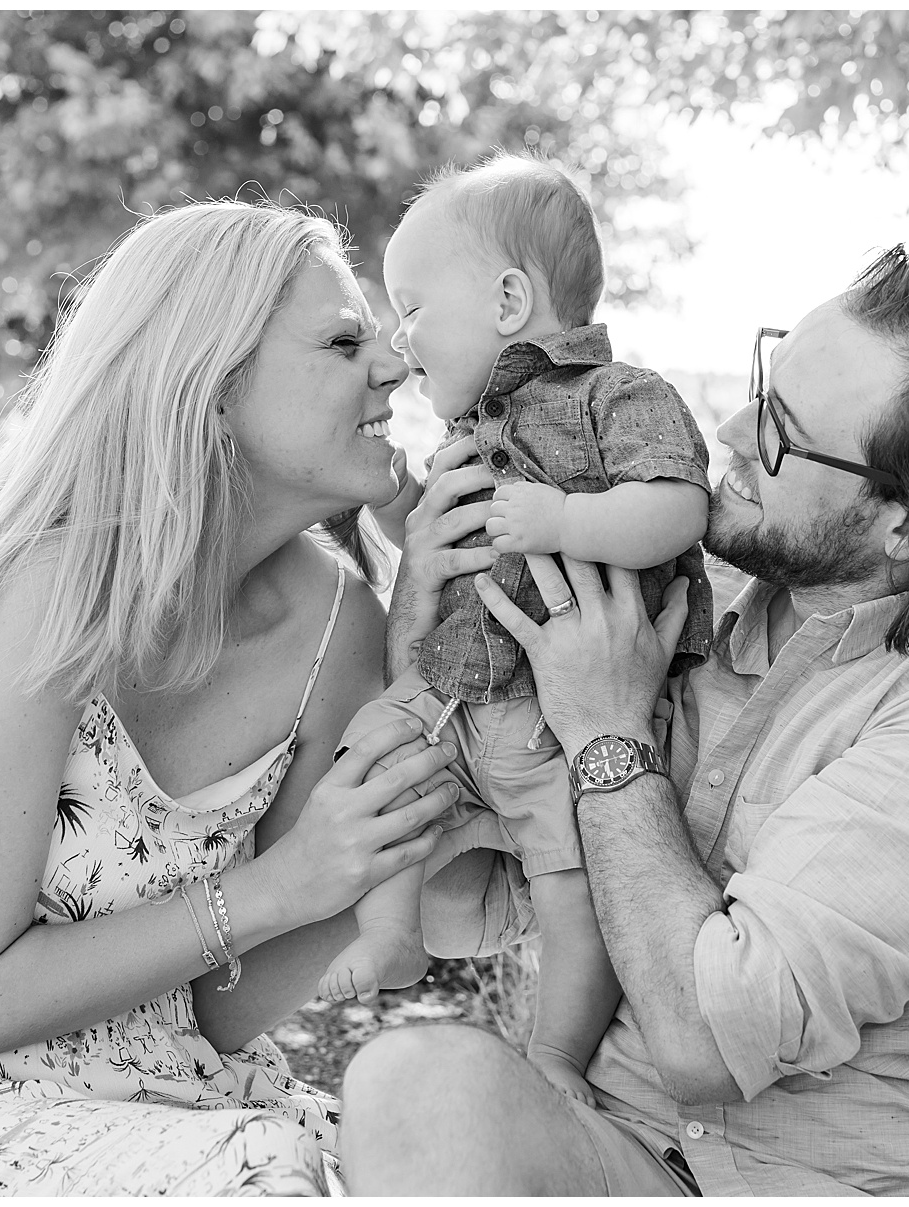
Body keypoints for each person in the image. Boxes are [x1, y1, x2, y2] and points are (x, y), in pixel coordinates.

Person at [341, 245, 909, 1195]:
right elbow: (465, 909)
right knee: (421, 1086)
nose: (734, 431)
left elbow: (707, 1036)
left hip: (835, 1182)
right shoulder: (706, 623)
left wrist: (607, 736)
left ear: (905, 527)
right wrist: (421, 608)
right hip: (625, 1151)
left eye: (782, 433)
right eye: (762, 385)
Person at [0, 200, 468, 1196]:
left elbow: (216, 1012)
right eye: (345, 340)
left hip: (177, 1106)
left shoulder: (337, 631)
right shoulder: (45, 594)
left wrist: (380, 839)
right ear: (213, 385)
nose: (395, 366)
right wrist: (277, 887)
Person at [316, 153, 714, 1108]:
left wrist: (565, 524)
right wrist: (393, 503)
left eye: (411, 309)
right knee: (371, 753)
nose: (402, 344)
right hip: (460, 702)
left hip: (558, 719)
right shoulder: (475, 428)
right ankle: (391, 931)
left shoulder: (614, 396)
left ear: (506, 301)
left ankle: (559, 1056)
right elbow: (434, 519)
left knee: (578, 890)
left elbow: (678, 505)